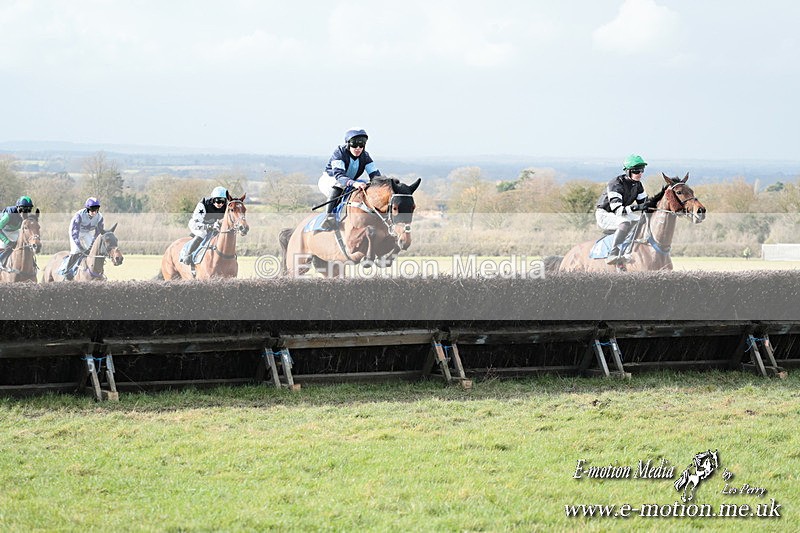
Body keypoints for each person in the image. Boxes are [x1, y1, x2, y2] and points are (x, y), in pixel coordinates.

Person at [595, 154, 655, 264]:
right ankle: (612, 254)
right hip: (604, 214)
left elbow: (645, 204)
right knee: (625, 222)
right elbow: (618, 210)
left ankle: (628, 250)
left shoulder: (638, 185)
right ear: (628, 171)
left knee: (641, 220)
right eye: (637, 171)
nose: (640, 174)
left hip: (619, 214)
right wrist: (637, 207)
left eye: (642, 170)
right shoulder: (615, 184)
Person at [318, 128, 382, 229]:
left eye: (361, 145)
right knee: (339, 186)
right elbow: (339, 176)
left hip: (349, 181)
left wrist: (384, 184)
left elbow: (375, 175)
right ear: (348, 144)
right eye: (354, 144)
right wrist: (354, 183)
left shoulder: (365, 156)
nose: (358, 148)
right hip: (330, 180)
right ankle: (328, 218)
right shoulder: (339, 153)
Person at [183, 186, 228, 265]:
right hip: (197, 225)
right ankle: (187, 255)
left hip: (214, 226)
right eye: (218, 201)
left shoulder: (225, 206)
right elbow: (196, 223)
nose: (220, 204)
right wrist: (209, 226)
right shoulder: (203, 204)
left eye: (223, 201)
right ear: (213, 199)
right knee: (202, 233)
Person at [63, 197, 106, 279]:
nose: (94, 212)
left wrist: (92, 244)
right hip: (75, 232)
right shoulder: (79, 216)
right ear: (87, 209)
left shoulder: (100, 217)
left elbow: (98, 233)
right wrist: (80, 247)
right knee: (76, 250)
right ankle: (67, 270)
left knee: (92, 249)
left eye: (96, 210)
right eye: (92, 210)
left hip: (86, 232)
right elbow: (74, 234)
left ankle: (95, 271)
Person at [0, 196, 35, 266]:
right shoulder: (9, 215)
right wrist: (7, 241)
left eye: (28, 209)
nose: (25, 212)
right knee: (5, 247)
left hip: (14, 231)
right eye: (23, 209)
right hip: (2, 231)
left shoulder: (27, 217)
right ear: (18, 208)